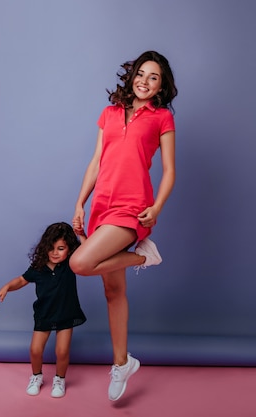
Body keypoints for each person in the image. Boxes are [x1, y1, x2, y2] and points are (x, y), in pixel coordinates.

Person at [69, 50, 177, 401]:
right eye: (141, 74)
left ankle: (144, 257)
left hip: (133, 207)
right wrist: (81, 202)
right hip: (102, 205)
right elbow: (96, 161)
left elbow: (170, 170)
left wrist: (156, 207)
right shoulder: (110, 114)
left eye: (154, 77)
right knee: (113, 293)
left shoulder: (161, 118)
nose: (145, 81)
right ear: (131, 77)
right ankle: (122, 363)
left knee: (80, 263)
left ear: (161, 86)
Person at [0, 222, 87, 398]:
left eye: (61, 248)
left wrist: (80, 232)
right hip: (44, 314)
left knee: (62, 351)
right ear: (44, 247)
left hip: (66, 313)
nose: (55, 253)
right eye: (51, 248)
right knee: (35, 350)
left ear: (70, 249)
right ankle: (36, 376)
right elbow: (21, 280)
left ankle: (60, 379)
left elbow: (87, 251)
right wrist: (6, 287)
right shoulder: (38, 268)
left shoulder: (71, 265)